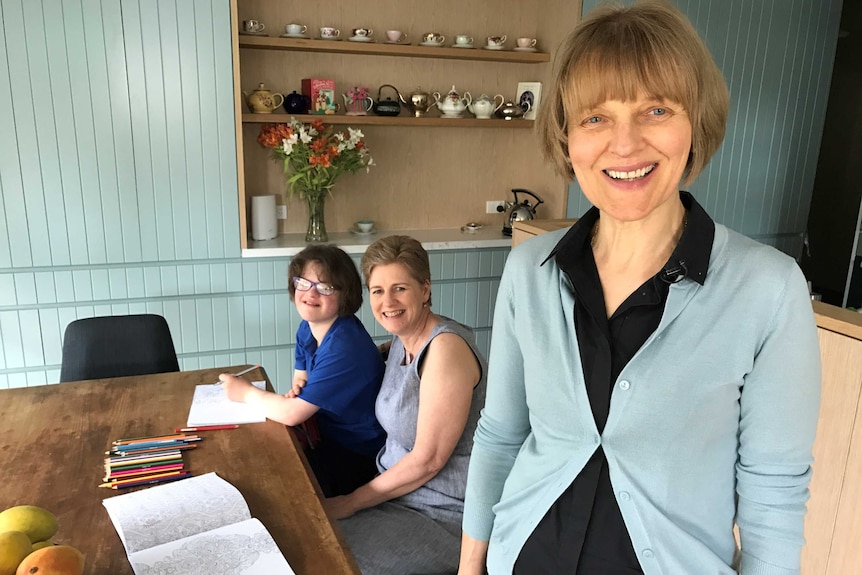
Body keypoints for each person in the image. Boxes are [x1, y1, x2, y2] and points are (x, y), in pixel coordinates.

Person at [458, 2, 821, 575]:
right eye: (595, 118)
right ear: (567, 137)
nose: (624, 145)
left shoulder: (769, 290)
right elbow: (502, 434)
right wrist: (470, 565)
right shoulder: (529, 271)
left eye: (655, 109)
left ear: (695, 123)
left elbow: (773, 489)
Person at [321, 235, 487, 575]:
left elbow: (427, 461)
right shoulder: (402, 338)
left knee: (326, 556)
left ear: (424, 290)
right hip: (393, 492)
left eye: (400, 288)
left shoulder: (444, 351)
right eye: (378, 291)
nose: (388, 301)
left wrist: (350, 503)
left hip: (440, 511)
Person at [220, 244, 385, 497]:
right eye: (303, 283)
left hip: (357, 454)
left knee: (270, 485)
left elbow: (291, 414)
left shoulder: (345, 347)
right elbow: (301, 376)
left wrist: (245, 392)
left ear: (345, 294)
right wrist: (300, 388)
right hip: (324, 435)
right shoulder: (309, 327)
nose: (311, 293)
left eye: (325, 287)